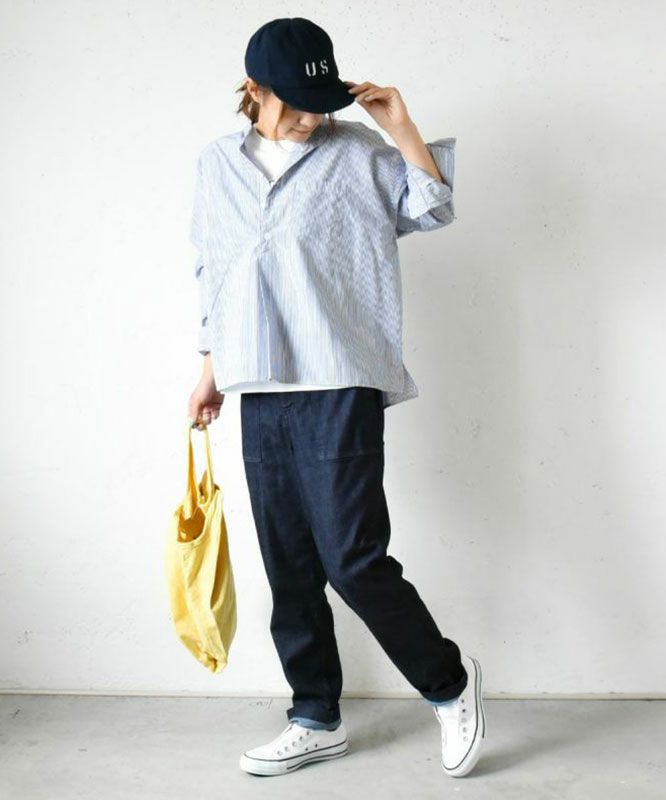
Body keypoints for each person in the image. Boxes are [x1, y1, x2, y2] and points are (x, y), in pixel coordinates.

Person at [186, 16, 486, 779]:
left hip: (338, 377)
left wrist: (401, 126)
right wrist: (210, 372)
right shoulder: (216, 165)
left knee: (352, 558)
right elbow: (215, 273)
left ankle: (450, 685)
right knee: (288, 562)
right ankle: (315, 715)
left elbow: (433, 205)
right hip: (260, 384)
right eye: (295, 102)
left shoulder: (355, 152)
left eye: (320, 102)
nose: (311, 117)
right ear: (254, 89)